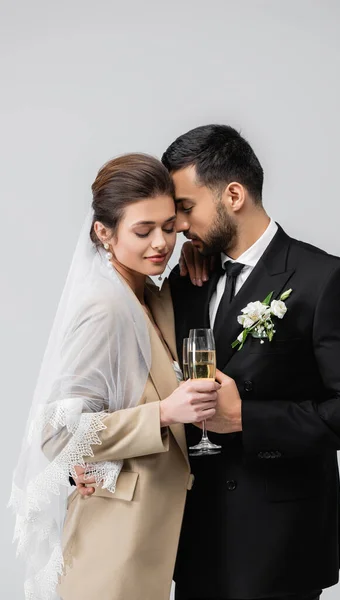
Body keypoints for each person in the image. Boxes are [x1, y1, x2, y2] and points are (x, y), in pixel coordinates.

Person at [161, 124, 340, 600]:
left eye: (186, 207)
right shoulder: (187, 281)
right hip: (193, 541)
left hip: (281, 543)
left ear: (233, 194)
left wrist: (245, 417)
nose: (180, 225)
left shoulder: (327, 279)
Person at [9, 153, 220, 600]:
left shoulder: (149, 293)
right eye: (143, 231)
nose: (160, 243)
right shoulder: (103, 308)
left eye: (168, 226)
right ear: (104, 232)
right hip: (113, 544)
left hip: (153, 537)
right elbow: (56, 432)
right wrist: (163, 413)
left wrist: (196, 257)